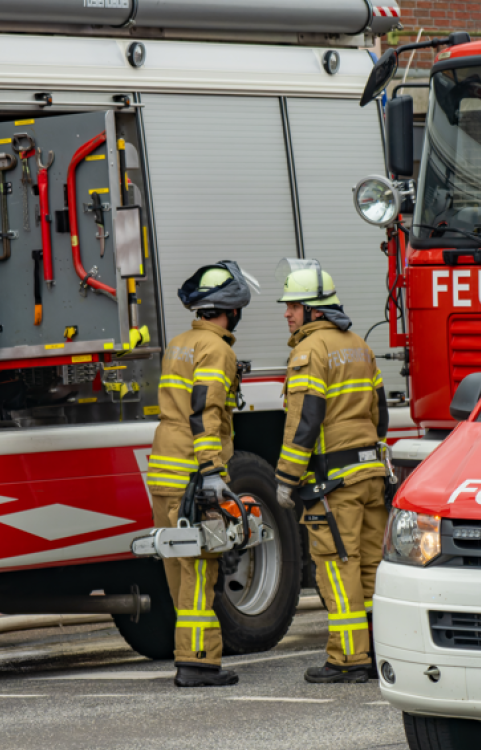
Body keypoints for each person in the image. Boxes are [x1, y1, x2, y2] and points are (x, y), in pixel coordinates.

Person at [273, 259, 389, 684]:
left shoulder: (309, 351)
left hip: (332, 485)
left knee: (337, 568)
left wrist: (286, 479)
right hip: (369, 475)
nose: (287, 313)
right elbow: (380, 416)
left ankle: (347, 659)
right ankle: (380, 652)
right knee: (371, 567)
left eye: (294, 306)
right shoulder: (359, 345)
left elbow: (305, 419)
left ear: (315, 311)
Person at [148, 261, 256, 688]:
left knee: (179, 570)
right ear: (230, 309)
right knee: (198, 570)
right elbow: (205, 411)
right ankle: (197, 662)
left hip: (164, 469)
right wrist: (212, 471)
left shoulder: (180, 343)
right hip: (192, 473)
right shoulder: (218, 350)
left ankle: (187, 654)